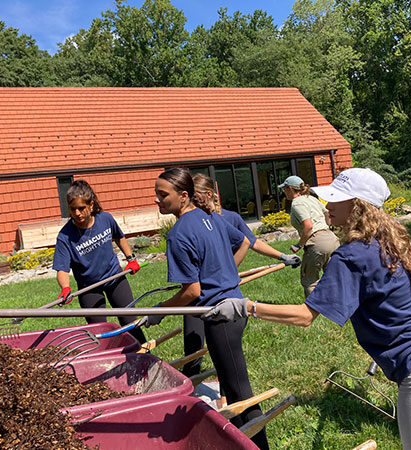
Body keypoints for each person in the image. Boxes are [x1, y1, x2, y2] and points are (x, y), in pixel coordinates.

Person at [204, 168, 411, 449]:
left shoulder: (351, 255)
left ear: (358, 206)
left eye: (336, 199)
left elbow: (304, 317)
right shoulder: (389, 242)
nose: (328, 205)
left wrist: (245, 307)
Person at [145, 167, 269, 449]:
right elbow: (242, 241)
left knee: (239, 392)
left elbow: (192, 291)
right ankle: (237, 440)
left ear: (184, 195)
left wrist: (160, 310)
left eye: (162, 195)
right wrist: (224, 272)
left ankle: (258, 444)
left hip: (220, 318)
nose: (157, 200)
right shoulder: (208, 217)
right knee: (229, 383)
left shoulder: (178, 235)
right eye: (156, 194)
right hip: (236, 308)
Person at [181, 172, 300, 380]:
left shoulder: (229, 218)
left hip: (221, 294)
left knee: (225, 349)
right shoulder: (191, 223)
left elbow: (250, 242)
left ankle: (226, 391)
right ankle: (190, 382)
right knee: (193, 341)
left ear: (207, 195)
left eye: (195, 195)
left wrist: (282, 255)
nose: (191, 200)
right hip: (197, 293)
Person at [52, 179, 146, 344]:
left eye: (81, 208)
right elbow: (62, 269)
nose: (78, 213)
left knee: (131, 322)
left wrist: (130, 259)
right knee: (100, 332)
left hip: (114, 278)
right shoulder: (65, 236)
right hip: (89, 287)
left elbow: (119, 237)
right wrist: (65, 288)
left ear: (91, 205)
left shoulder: (105, 219)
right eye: (73, 209)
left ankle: (143, 355)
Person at [279, 175, 339, 297]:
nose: (283, 192)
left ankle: (312, 311)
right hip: (332, 239)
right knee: (333, 276)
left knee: (310, 280)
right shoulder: (311, 198)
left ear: (290, 188)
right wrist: (326, 227)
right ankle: (338, 304)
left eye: (284, 189)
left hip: (318, 242)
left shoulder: (297, 203)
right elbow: (327, 213)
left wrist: (299, 245)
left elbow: (308, 226)